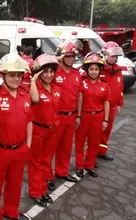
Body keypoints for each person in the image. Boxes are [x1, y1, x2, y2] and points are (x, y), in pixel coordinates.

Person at [0, 53, 34, 220]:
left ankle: (11, 212)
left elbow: (29, 121)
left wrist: (28, 144)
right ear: (3, 75)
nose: (16, 79)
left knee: (15, 185)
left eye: (19, 75)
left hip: (20, 150)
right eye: (12, 75)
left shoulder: (25, 94)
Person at [46, 39, 83, 190]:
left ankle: (62, 172)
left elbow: (80, 96)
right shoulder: (53, 72)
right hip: (56, 117)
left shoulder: (76, 74)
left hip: (71, 116)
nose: (70, 58)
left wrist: (79, 116)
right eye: (67, 56)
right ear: (61, 57)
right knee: (50, 149)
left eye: (72, 56)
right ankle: (48, 176)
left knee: (66, 148)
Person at [27, 54, 61, 207]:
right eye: (45, 71)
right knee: (36, 163)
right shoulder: (34, 88)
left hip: (52, 130)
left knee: (46, 161)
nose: (49, 75)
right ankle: (35, 191)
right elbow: (35, 100)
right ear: (38, 72)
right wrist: (33, 80)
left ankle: (43, 189)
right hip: (37, 131)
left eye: (51, 71)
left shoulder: (56, 88)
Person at [75, 54, 110, 178]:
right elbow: (79, 100)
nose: (94, 72)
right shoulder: (82, 83)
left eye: (96, 69)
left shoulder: (105, 85)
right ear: (87, 70)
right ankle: (79, 165)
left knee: (94, 143)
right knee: (79, 142)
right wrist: (78, 116)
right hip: (84, 116)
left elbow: (106, 102)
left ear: (100, 70)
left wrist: (106, 120)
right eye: (91, 69)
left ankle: (90, 165)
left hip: (98, 117)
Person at [98, 41, 124, 161]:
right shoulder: (99, 69)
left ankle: (102, 152)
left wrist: (119, 103)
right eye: (112, 55)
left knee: (107, 130)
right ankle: (90, 154)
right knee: (96, 131)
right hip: (99, 106)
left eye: (115, 56)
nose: (114, 58)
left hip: (112, 106)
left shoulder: (118, 70)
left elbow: (120, 87)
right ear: (105, 54)